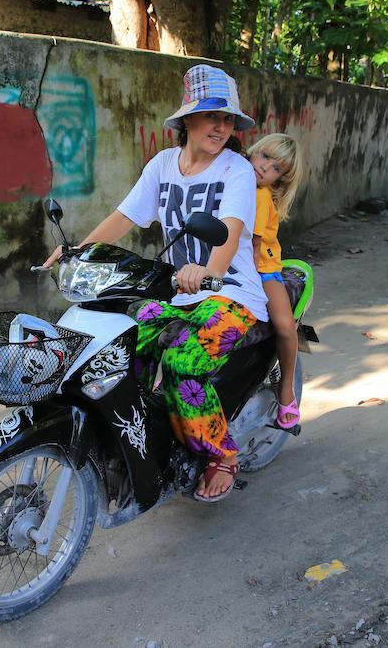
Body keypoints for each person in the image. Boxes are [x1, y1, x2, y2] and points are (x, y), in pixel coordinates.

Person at [43, 64, 268, 502]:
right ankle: (148, 440)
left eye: (227, 119)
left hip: (232, 293)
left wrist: (210, 272)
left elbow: (232, 228)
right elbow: (125, 216)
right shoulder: (164, 164)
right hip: (176, 290)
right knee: (122, 347)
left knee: (184, 363)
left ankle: (222, 454)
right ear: (187, 120)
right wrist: (76, 252)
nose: (220, 127)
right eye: (210, 116)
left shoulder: (235, 169)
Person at [246, 133, 302, 429]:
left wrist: (250, 281)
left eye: (276, 168)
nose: (266, 167)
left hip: (263, 269)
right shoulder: (234, 182)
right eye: (265, 156)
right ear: (254, 152)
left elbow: (255, 249)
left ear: (280, 179)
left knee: (284, 325)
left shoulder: (260, 195)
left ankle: (286, 389)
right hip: (230, 266)